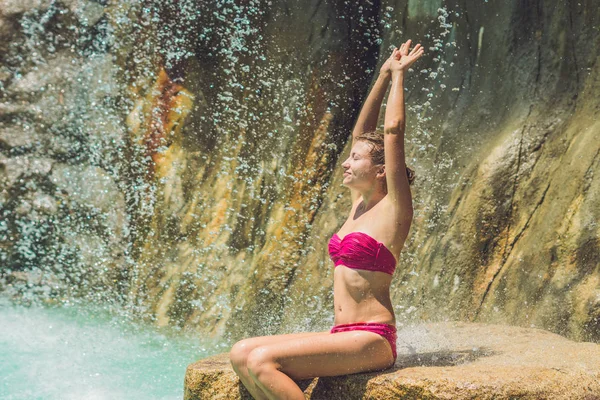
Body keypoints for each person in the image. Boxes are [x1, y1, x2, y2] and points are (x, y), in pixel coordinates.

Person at [229, 39, 424, 400]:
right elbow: (360, 132)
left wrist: (399, 77)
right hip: (342, 334)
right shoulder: (357, 206)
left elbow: (393, 131)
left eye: (356, 159)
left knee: (262, 363)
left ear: (382, 171)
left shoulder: (395, 208)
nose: (346, 163)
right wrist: (382, 75)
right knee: (241, 352)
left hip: (372, 338)